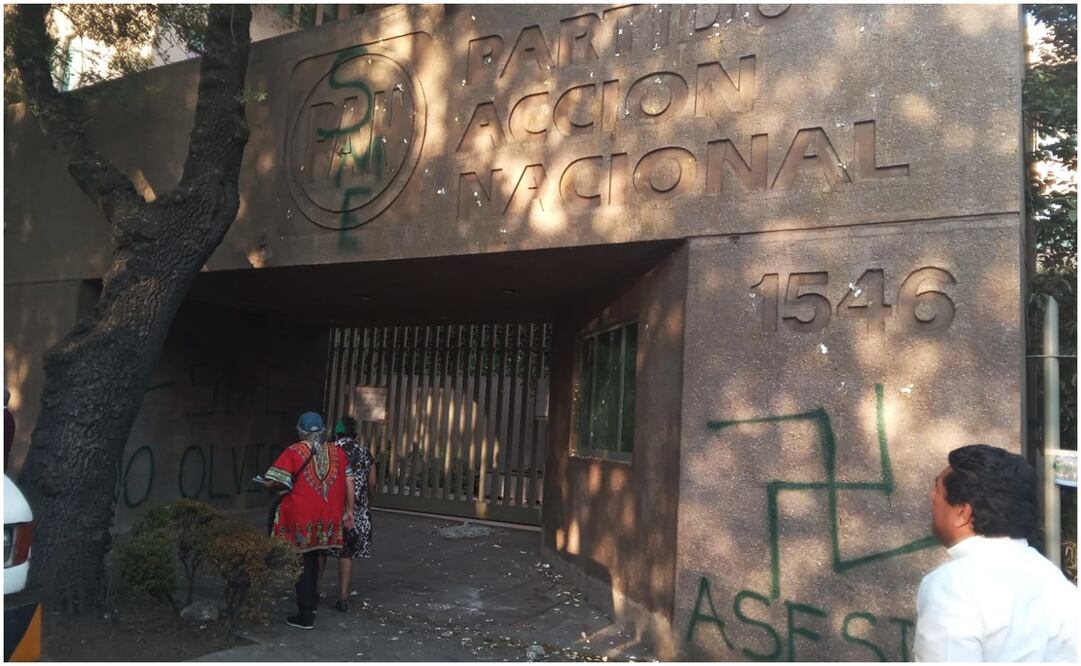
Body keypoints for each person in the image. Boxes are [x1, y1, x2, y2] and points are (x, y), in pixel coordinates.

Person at [915, 444, 1078, 661]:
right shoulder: (1054, 581)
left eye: (937, 489)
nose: (931, 497)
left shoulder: (952, 585)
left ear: (962, 513)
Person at [263, 411, 354, 630]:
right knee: (314, 558)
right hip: (326, 518)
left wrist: (269, 486)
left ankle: (305, 614)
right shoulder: (338, 453)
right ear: (323, 430)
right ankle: (310, 605)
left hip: (300, 517)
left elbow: (274, 481)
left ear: (300, 430)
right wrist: (348, 510)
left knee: (302, 562)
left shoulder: (294, 451)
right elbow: (347, 479)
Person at [320, 416, 376, 612]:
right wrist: (368, 500)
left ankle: (314, 591)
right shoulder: (364, 452)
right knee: (346, 552)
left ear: (337, 432)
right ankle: (343, 598)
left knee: (321, 550)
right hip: (355, 512)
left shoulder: (327, 450)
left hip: (329, 508)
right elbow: (372, 483)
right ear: (355, 433)